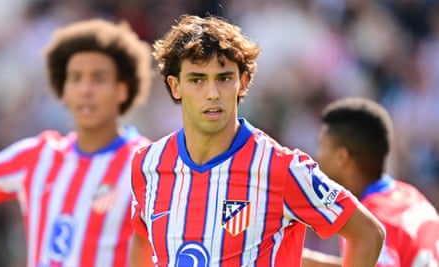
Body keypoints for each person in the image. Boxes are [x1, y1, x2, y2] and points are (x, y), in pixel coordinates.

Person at [129, 14, 385, 267]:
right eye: (197, 80)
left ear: (243, 83)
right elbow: (143, 239)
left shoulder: (281, 167)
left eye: (224, 78)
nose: (212, 94)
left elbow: (367, 234)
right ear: (175, 86)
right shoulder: (147, 164)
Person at [0, 18, 152, 267]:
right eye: (75, 78)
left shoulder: (147, 164)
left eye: (98, 78)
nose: (85, 90)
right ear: (63, 89)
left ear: (122, 89)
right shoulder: (38, 156)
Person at [302, 97, 439, 266]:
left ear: (342, 157)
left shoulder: (370, 222)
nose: (317, 156)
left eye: (321, 146)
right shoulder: (411, 195)